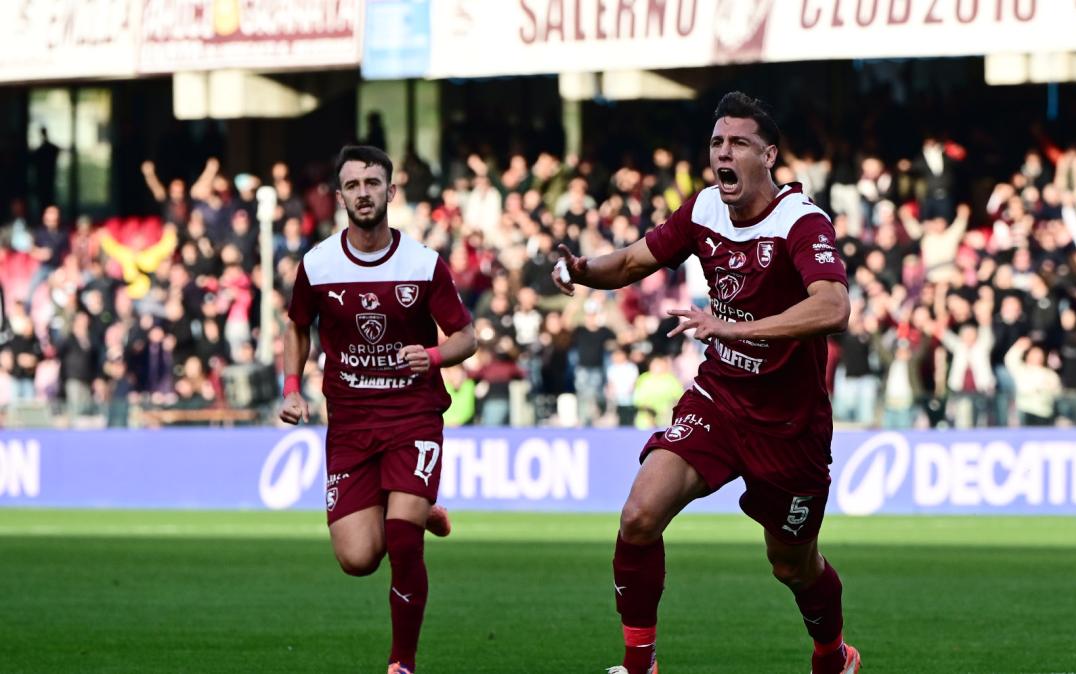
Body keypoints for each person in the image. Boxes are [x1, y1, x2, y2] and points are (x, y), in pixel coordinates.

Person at [552, 92, 860, 674]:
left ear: (768, 155)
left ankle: (833, 654)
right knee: (639, 516)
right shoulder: (703, 211)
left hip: (790, 423)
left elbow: (833, 306)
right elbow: (635, 261)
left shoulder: (802, 221)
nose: (724, 152)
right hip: (719, 399)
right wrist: (580, 270)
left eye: (739, 142)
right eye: (717, 142)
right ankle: (639, 664)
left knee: (792, 566)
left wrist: (733, 325)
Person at [279, 145, 477, 674]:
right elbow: (297, 325)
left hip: (412, 416)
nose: (363, 193)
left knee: (402, 541)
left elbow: (467, 336)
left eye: (373, 183)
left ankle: (401, 663)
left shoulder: (422, 263)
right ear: (339, 195)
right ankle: (414, 504)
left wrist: (432, 356)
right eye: (353, 185)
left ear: (390, 191)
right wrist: (290, 386)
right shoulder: (318, 265)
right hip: (349, 424)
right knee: (358, 559)